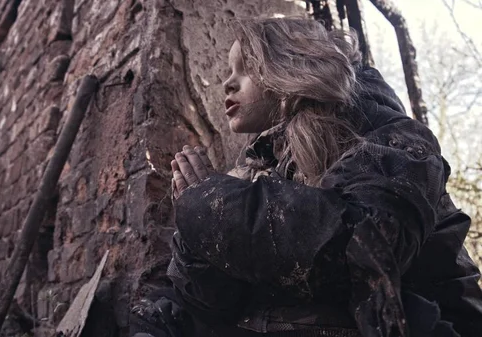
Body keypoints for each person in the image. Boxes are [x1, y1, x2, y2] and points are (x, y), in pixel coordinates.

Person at [130, 17, 482, 337]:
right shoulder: (261, 163)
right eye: (228, 70)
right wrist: (197, 223)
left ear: (292, 67)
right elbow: (215, 302)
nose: (227, 83)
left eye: (247, 67)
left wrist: (212, 205)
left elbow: (360, 252)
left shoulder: (392, 138)